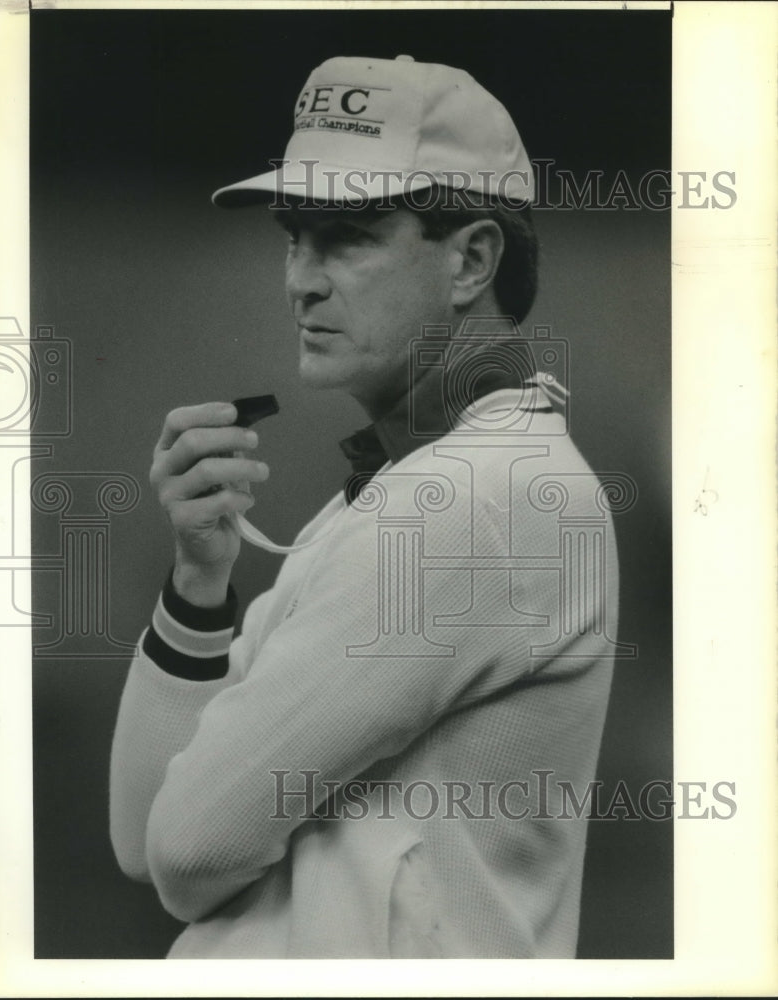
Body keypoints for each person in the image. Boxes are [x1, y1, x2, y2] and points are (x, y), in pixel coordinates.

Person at [109, 54, 619, 959]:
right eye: (292, 235)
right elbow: (142, 843)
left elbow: (185, 854)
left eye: (344, 234)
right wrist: (199, 582)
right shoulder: (427, 482)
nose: (298, 279)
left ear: (471, 260)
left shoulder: (467, 501)